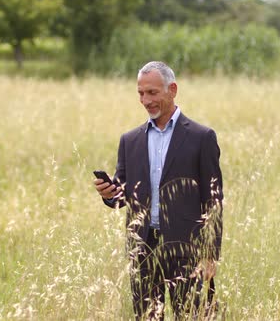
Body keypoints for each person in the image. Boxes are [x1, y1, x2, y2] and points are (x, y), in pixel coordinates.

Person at [93, 61, 223, 320]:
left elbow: (214, 201)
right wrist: (110, 195)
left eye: (152, 92)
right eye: (141, 93)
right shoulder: (129, 141)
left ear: (172, 90)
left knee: (192, 316)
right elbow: (125, 195)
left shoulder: (201, 137)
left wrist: (210, 256)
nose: (145, 100)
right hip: (142, 247)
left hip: (188, 249)